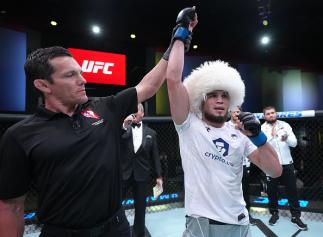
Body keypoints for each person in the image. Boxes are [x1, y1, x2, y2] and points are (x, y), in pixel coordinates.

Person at [0, 7, 198, 237]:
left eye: (80, 72)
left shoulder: (104, 107)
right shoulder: (20, 135)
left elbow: (149, 86)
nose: (82, 80)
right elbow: (11, 206)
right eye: (70, 75)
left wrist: (179, 36)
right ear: (43, 85)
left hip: (116, 228)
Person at [165, 49, 282, 235]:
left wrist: (258, 137)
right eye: (213, 95)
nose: (220, 100)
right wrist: (181, 35)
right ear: (201, 99)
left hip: (239, 222)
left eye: (225, 95)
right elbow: (172, 80)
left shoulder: (240, 133)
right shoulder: (189, 125)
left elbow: (275, 171)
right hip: (201, 223)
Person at [261, 106, 307, 230]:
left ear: (276, 114)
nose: (271, 115)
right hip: (271, 164)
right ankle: (274, 213)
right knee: (271, 190)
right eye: (268, 114)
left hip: (287, 163)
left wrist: (286, 138)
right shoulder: (262, 128)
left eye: (272, 113)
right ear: (264, 116)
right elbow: (261, 146)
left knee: (292, 189)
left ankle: (296, 216)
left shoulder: (285, 125)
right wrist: (272, 136)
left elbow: (294, 143)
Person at [121, 103, 162, 237]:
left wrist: (159, 176)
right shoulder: (123, 129)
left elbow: (155, 156)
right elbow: (117, 142)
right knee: (116, 204)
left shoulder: (151, 133)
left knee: (140, 206)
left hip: (142, 174)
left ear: (142, 114)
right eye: (131, 111)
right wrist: (124, 126)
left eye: (136, 111)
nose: (133, 114)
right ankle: (118, 229)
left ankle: (139, 233)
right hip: (124, 173)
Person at [229, 106, 256, 225]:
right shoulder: (225, 127)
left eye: (238, 111)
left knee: (245, 190)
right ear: (230, 113)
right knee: (229, 190)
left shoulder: (246, 126)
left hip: (244, 164)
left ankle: (247, 213)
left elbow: (250, 146)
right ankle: (229, 214)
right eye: (234, 111)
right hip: (229, 165)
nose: (236, 113)